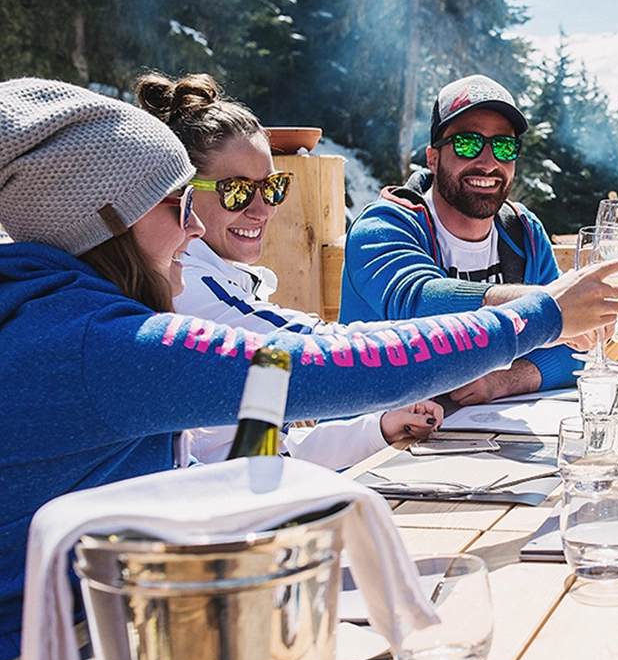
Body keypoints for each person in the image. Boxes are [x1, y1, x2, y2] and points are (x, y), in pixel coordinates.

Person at [0, 77, 618, 660]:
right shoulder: (101, 344)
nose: (193, 228)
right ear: (107, 219)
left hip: (91, 625)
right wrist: (541, 315)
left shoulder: (54, 316)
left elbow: (202, 470)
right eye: (177, 205)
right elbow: (322, 365)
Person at [140, 72, 442, 467]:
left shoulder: (225, 281)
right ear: (185, 194)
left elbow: (261, 453)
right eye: (237, 191)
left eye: (272, 187)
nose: (262, 209)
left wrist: (377, 429)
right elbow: (332, 350)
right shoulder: (190, 290)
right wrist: (499, 330)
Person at [341, 74, 575, 404]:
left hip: (479, 429)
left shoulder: (523, 232)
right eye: (467, 144)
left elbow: (577, 350)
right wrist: (547, 305)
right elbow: (416, 303)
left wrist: (504, 380)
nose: (488, 163)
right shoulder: (383, 226)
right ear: (433, 158)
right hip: (373, 431)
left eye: (504, 147)